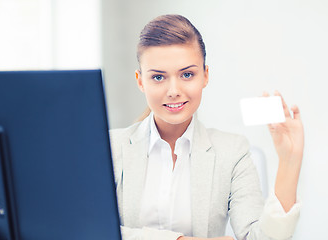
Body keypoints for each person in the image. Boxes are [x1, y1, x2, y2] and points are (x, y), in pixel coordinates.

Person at [110, 14, 303, 240]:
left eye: (187, 74)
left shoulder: (232, 152)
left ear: (205, 76)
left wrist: (290, 161)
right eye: (159, 77)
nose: (173, 90)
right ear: (140, 80)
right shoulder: (110, 148)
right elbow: (88, 231)